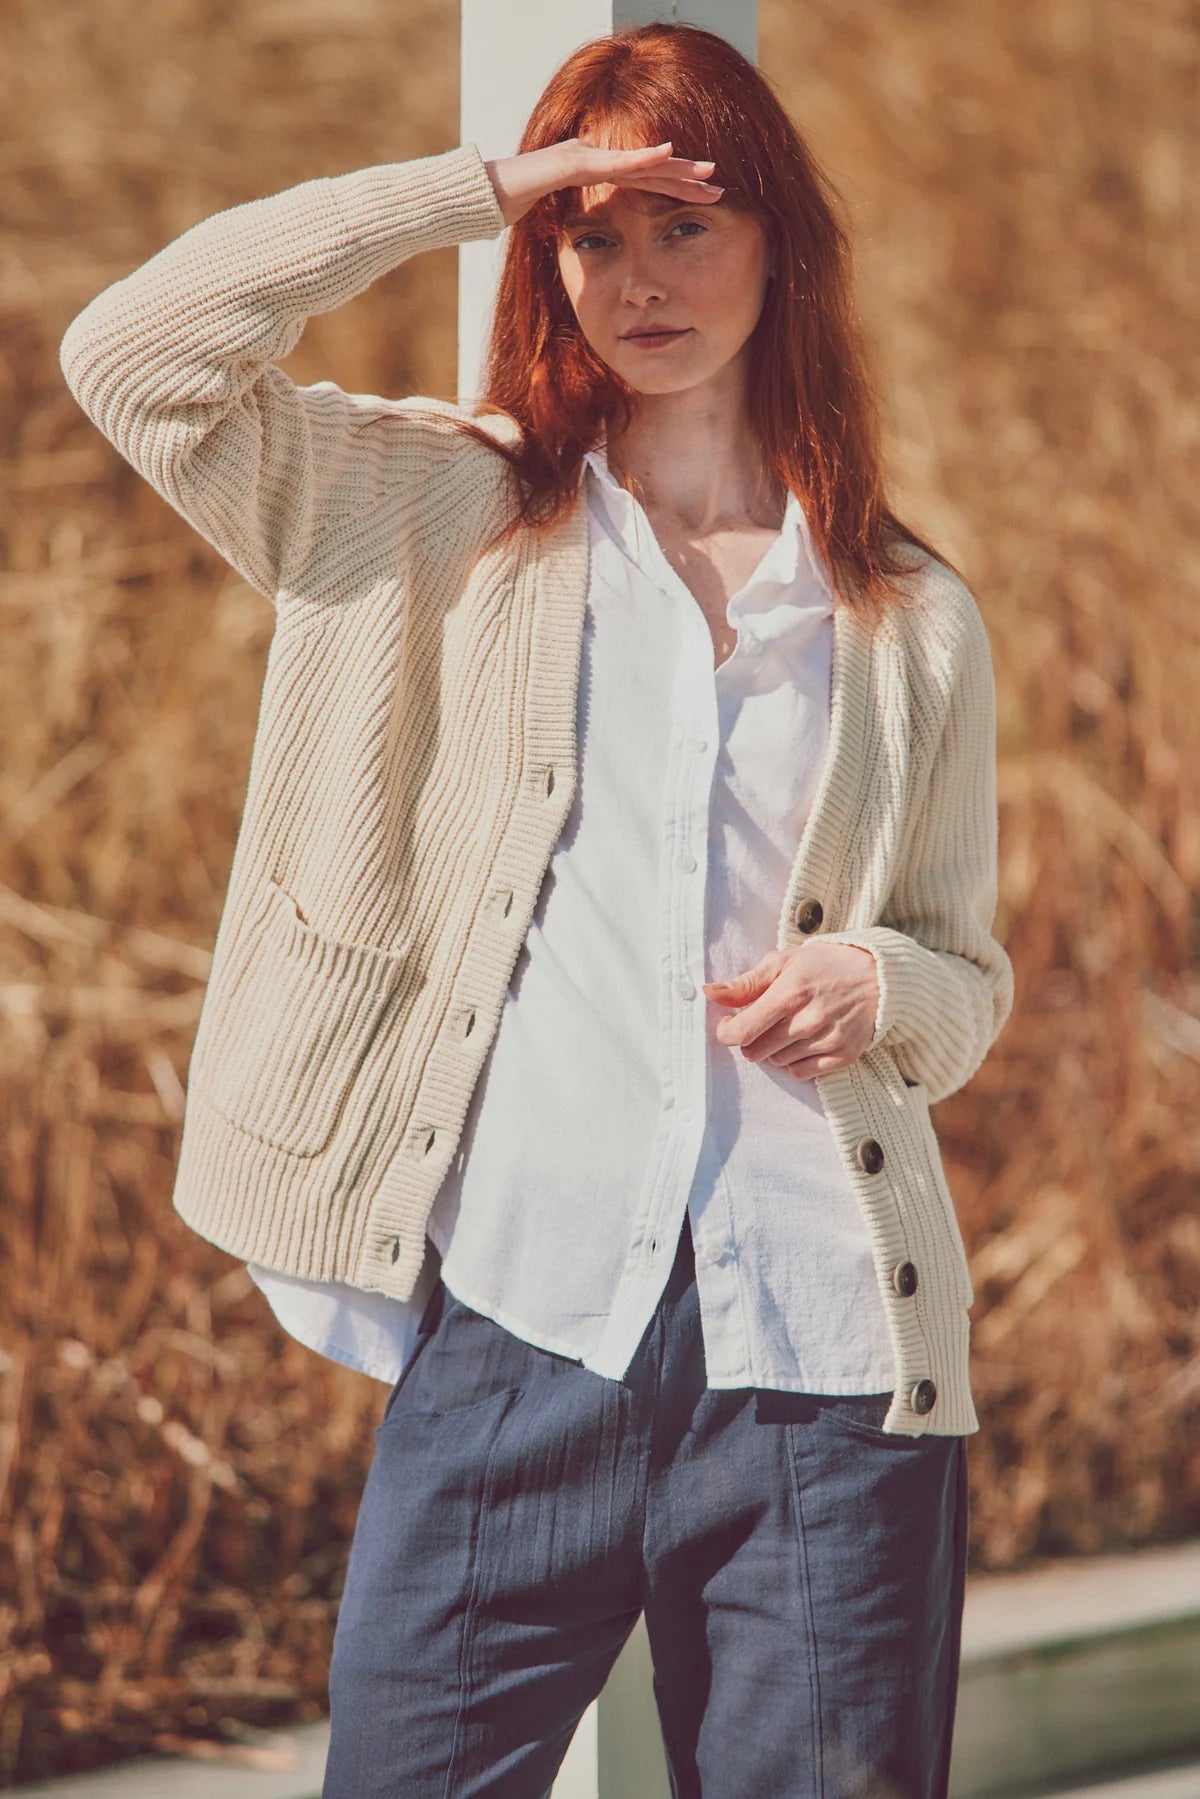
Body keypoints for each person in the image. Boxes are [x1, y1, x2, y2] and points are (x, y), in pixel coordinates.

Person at [59, 21, 1013, 1798]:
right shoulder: (428, 508)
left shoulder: (908, 617)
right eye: (594, 235)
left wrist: (879, 980)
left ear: (778, 242)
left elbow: (965, 975)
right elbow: (138, 353)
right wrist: (482, 187)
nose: (636, 278)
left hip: (823, 1357)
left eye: (684, 225)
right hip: (518, 1334)